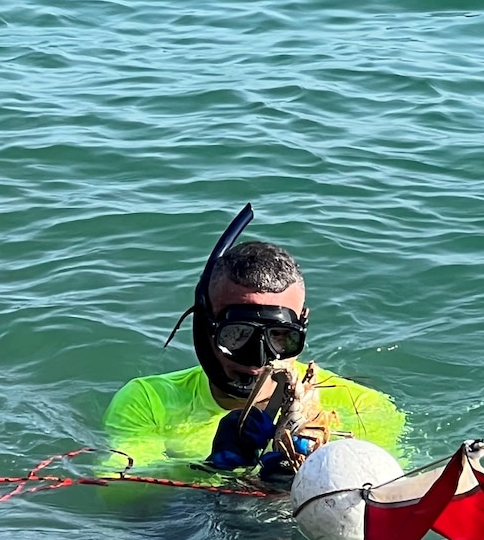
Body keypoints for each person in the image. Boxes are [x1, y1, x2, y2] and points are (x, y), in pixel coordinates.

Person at [100, 204, 405, 480]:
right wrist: (213, 468)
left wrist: (311, 475)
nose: (258, 360)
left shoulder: (366, 407)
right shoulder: (148, 401)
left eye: (279, 336)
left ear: (302, 326)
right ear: (206, 325)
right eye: (237, 335)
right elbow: (118, 493)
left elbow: (388, 491)